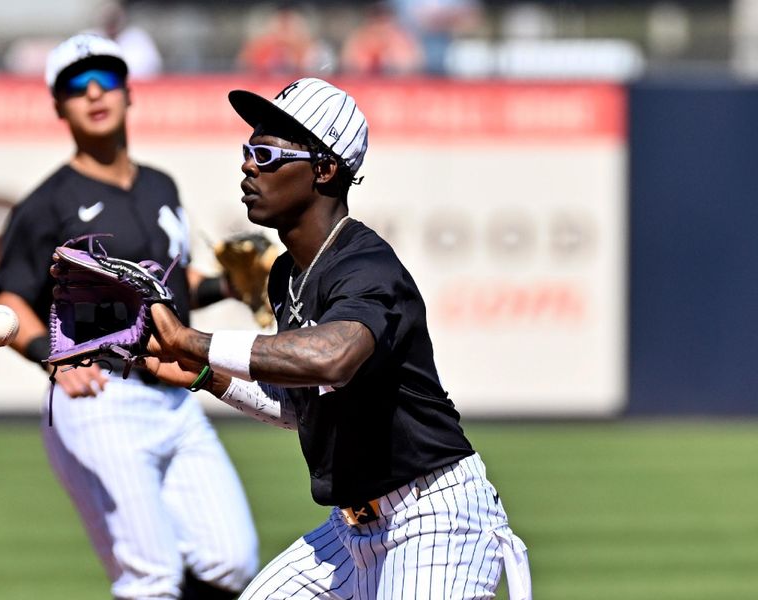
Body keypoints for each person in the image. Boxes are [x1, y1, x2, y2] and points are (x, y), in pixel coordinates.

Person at [141, 77, 533, 600]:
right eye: (247, 149)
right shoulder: (288, 274)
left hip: (436, 519)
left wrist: (196, 341)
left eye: (266, 153)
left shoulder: (367, 266)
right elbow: (300, 402)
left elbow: (332, 359)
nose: (248, 165)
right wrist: (210, 377)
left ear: (324, 169)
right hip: (351, 533)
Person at [0, 33, 258, 600]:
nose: (94, 92)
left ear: (129, 93)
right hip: (101, 398)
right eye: (75, 84)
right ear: (57, 105)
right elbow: (11, 301)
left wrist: (226, 284)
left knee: (230, 562)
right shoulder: (46, 204)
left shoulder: (161, 185)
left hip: (174, 394)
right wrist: (50, 359)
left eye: (107, 78)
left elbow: (165, 282)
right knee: (152, 577)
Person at [340, 1, 424, 76]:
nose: (381, 24)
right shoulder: (359, 37)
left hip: (398, 86)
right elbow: (348, 65)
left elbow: (415, 66)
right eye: (377, 18)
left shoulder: (403, 37)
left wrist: (390, 56)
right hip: (363, 86)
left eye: (384, 19)